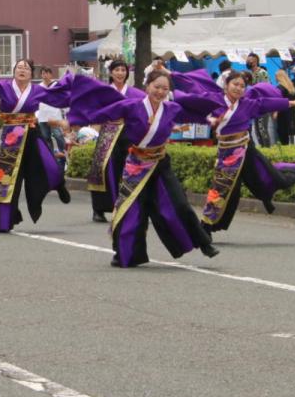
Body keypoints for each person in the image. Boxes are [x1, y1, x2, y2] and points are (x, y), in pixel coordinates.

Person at [68, 71, 219, 267]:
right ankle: (126, 254)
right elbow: (104, 112)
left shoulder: (172, 108)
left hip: (160, 164)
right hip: (136, 165)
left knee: (179, 204)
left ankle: (204, 243)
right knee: (131, 210)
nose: (160, 92)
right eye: (157, 87)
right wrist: (77, 118)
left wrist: (210, 120)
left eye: (165, 88)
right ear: (147, 86)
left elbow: (196, 111)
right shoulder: (132, 106)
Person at [172, 69, 295, 233]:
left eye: (242, 86)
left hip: (245, 149)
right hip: (225, 153)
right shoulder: (214, 99)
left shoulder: (247, 104)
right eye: (235, 84)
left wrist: (292, 102)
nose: (238, 88)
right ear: (226, 85)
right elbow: (193, 94)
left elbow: (266, 104)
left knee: (268, 180)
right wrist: (169, 79)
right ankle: (209, 225)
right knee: (227, 191)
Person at [0, 56, 73, 233]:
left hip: (32, 133)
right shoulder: (3, 86)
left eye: (26, 68)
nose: (22, 70)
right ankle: (4, 221)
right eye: (19, 67)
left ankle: (58, 183)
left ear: (31, 74)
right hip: (11, 136)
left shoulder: (37, 90)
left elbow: (59, 96)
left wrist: (73, 86)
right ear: (14, 71)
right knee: (6, 178)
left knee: (49, 164)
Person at [85, 60, 134, 223]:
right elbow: (95, 113)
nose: (120, 73)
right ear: (111, 73)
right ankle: (98, 209)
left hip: (128, 133)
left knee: (131, 169)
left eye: (123, 70)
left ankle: (128, 208)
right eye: (117, 70)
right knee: (102, 169)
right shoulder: (104, 92)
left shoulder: (134, 92)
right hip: (108, 132)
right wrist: (93, 132)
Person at [273, 69, 295, 145]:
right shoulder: (290, 87)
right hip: (290, 111)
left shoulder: (279, 88)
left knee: (282, 134)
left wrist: (275, 112)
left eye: (276, 76)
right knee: (287, 134)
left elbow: (278, 101)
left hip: (282, 113)